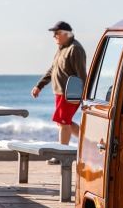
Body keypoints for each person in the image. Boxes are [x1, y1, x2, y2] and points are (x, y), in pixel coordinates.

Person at [31, 21, 87, 150]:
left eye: (56, 33)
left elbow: (82, 74)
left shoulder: (75, 49)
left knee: (63, 123)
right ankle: (89, 142)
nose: (54, 36)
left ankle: (62, 154)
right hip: (60, 92)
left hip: (70, 93)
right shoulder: (62, 49)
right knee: (61, 122)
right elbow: (53, 69)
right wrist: (39, 86)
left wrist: (84, 95)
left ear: (66, 34)